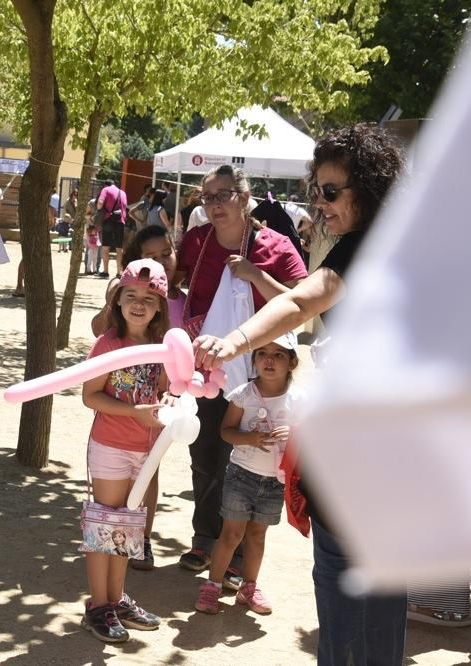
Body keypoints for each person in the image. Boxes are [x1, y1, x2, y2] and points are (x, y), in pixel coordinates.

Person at [192, 124, 407, 665]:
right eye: (318, 190)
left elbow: (303, 300)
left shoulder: (366, 248)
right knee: (379, 619)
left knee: (347, 625)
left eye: (331, 191)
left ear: (370, 189)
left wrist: (236, 340)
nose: (321, 203)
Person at [176, 163, 307, 590]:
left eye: (223, 195)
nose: (214, 204)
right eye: (207, 197)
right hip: (210, 370)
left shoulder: (277, 245)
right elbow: (176, 285)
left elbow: (302, 304)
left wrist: (256, 275)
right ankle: (205, 538)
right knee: (206, 452)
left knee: (254, 463)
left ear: (245, 198)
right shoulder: (195, 242)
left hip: (263, 374)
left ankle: (234, 557)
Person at [80, 259, 170, 642]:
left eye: (149, 298)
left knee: (127, 531)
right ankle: (97, 606)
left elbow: (168, 389)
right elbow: (90, 396)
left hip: (145, 452)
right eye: (130, 295)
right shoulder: (108, 343)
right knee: (105, 527)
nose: (138, 303)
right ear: (117, 300)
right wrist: (134, 412)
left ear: (160, 307)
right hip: (111, 448)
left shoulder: (162, 346)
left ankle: (115, 600)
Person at [90, 225, 184, 571]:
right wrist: (114, 298)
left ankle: (134, 551)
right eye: (150, 255)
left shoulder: (171, 314)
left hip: (148, 434)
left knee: (136, 503)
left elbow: (169, 382)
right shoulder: (113, 337)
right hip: (112, 438)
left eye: (165, 253)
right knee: (108, 516)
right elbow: (92, 391)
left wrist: (173, 397)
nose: (159, 261)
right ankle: (103, 598)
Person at [195, 333, 302, 615]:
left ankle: (249, 587)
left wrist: (294, 434)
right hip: (241, 476)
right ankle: (212, 587)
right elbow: (225, 431)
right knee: (231, 535)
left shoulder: (299, 400)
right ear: (253, 360)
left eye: (279, 354)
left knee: (257, 536)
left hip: (274, 483)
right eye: (262, 353)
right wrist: (250, 439)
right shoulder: (244, 393)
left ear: (292, 362)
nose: (269, 360)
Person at [95, 179, 128, 279]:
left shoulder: (105, 190)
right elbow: (125, 207)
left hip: (108, 220)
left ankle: (105, 271)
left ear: (106, 185)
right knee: (119, 248)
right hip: (120, 221)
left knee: (106, 247)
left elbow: (100, 203)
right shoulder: (123, 192)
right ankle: (119, 272)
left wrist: (99, 209)